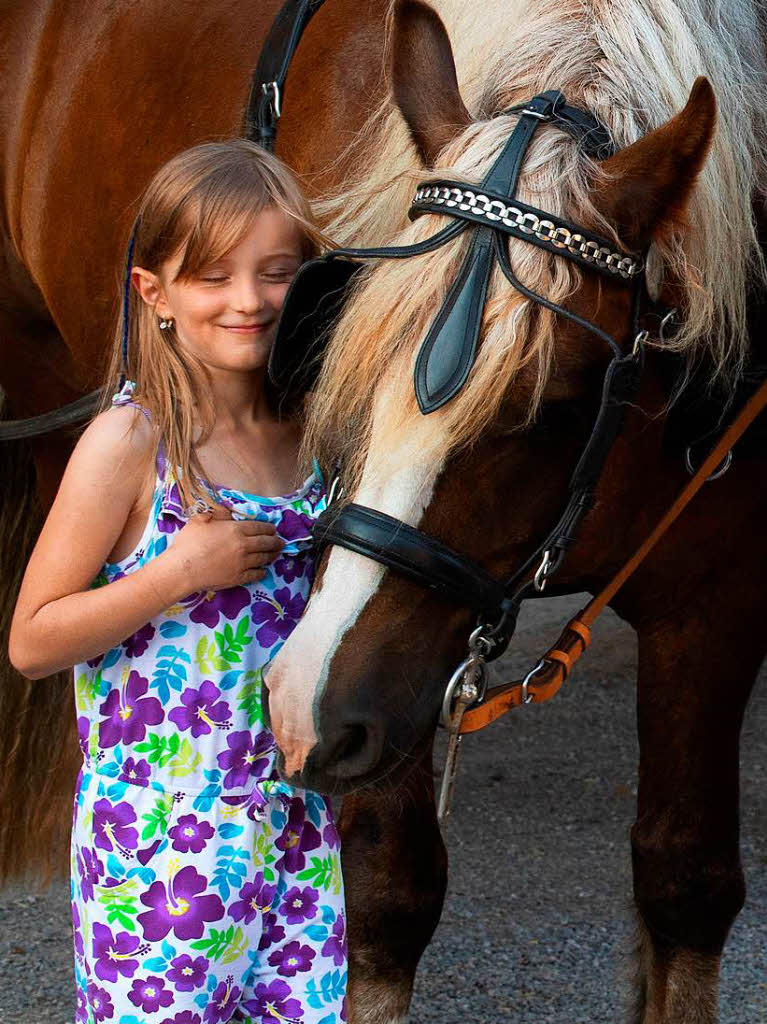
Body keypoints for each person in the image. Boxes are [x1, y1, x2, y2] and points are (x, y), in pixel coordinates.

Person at [9, 140, 347, 1024]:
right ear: (152, 292)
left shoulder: (316, 436)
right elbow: (33, 640)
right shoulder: (130, 443)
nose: (249, 301)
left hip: (294, 830)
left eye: (277, 273)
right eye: (212, 277)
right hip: (158, 849)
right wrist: (174, 572)